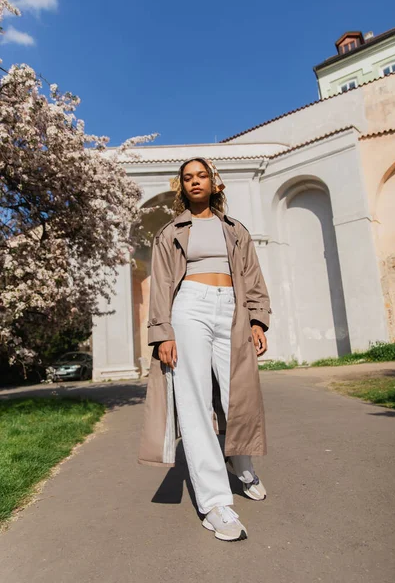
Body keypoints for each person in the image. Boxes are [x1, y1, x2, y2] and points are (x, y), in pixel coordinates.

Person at [138, 157, 272, 542]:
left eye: (201, 176)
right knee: (194, 400)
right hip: (189, 308)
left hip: (232, 307)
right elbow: (162, 284)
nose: (195, 182)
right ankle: (215, 503)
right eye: (187, 178)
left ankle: (242, 465)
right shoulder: (170, 232)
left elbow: (252, 276)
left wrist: (258, 319)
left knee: (237, 395)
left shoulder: (236, 230)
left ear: (214, 183)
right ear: (181, 187)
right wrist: (163, 332)